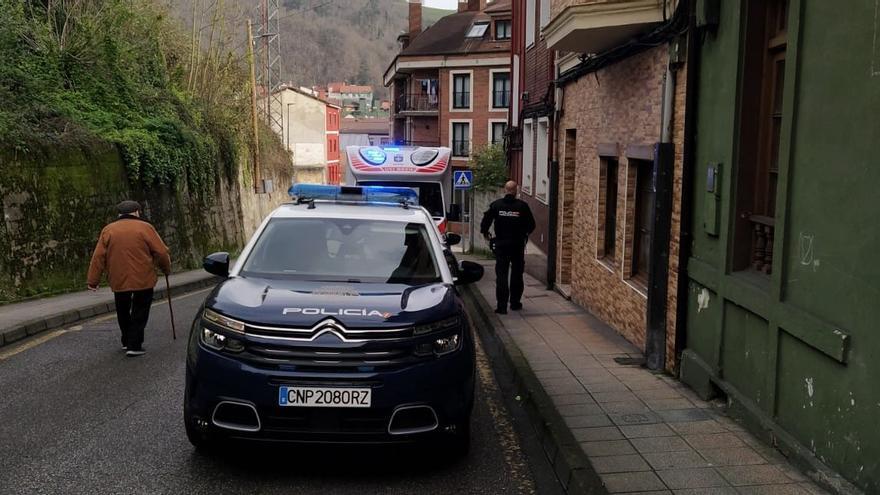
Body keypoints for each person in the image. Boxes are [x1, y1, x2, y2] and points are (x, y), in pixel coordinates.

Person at [87, 200, 171, 357]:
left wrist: (93, 280)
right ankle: (135, 344)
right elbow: (161, 252)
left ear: (119, 214)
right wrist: (166, 269)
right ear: (137, 212)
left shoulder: (108, 230)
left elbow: (98, 256)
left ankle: (126, 340)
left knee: (122, 309)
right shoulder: (146, 228)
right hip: (143, 277)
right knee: (140, 310)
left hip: (118, 277)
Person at [480, 181, 535, 314]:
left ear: (505, 190)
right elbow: (531, 225)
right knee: (517, 274)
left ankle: (502, 306)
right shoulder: (522, 206)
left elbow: (486, 220)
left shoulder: (496, 205)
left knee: (501, 275)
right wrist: (524, 234)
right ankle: (515, 303)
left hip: (501, 245)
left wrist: (486, 233)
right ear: (515, 190)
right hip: (517, 245)